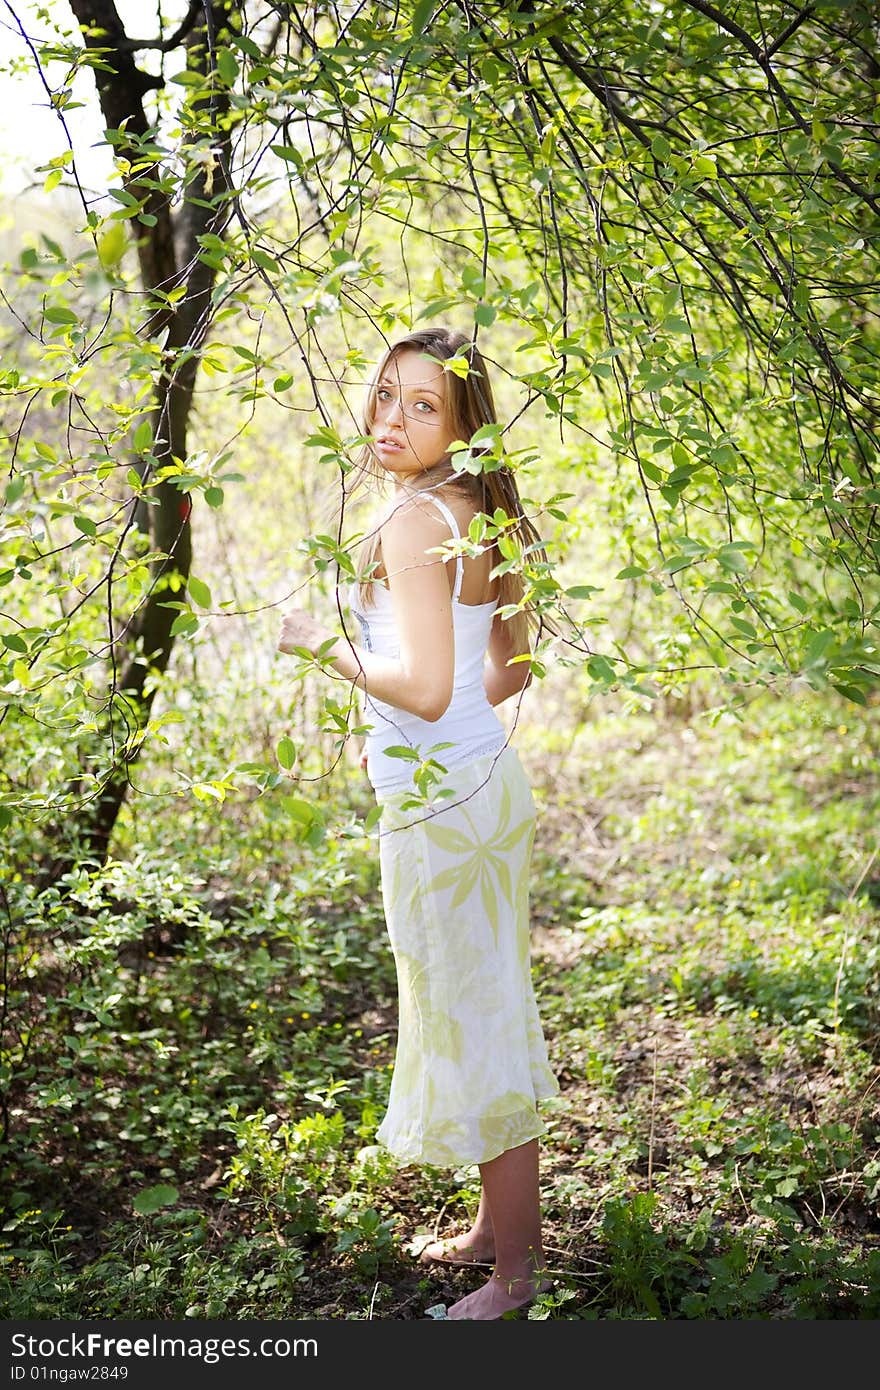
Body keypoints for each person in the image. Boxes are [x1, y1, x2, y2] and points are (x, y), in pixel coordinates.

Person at [277, 327, 559, 1320]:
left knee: (477, 1018)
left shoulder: (411, 519)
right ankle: (494, 1231)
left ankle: (514, 1280)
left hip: (449, 810)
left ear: (461, 422)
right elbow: (506, 670)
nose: (391, 420)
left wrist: (325, 650)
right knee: (477, 1001)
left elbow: (432, 688)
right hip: (477, 788)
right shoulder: (478, 504)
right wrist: (400, 733)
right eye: (386, 395)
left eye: (422, 406)